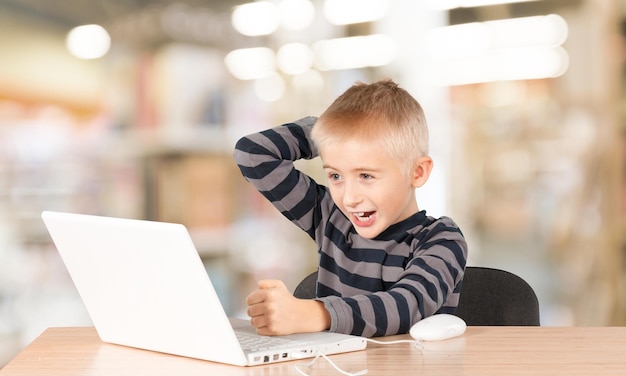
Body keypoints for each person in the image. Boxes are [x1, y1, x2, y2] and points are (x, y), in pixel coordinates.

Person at [233, 78, 468, 338]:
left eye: (366, 176)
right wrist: (329, 132)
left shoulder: (442, 239)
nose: (349, 198)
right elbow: (253, 154)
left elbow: (406, 305)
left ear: (417, 172)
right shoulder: (330, 217)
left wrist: (314, 314)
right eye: (335, 176)